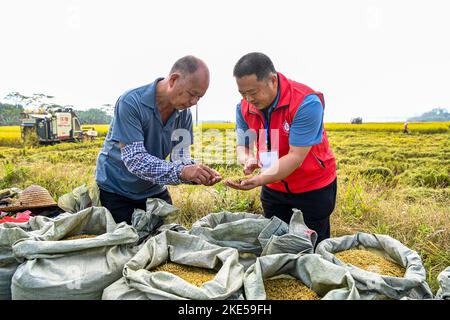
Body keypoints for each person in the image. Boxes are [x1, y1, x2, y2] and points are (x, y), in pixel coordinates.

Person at [224, 52, 337, 244]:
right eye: (243, 93)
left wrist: (258, 180)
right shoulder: (243, 107)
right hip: (273, 186)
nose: (248, 99)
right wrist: (248, 158)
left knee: (312, 247)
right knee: (275, 241)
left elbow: (295, 157)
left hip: (311, 187)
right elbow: (243, 145)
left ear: (272, 80)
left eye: (253, 92)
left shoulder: (305, 102)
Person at [95, 55, 221, 224]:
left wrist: (198, 174)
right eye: (192, 94)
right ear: (173, 80)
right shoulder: (131, 102)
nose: (193, 102)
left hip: (153, 188)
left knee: (167, 240)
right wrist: (183, 172)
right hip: (117, 189)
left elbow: (180, 158)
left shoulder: (184, 115)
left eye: (199, 98)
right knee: (126, 245)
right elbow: (135, 159)